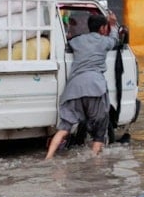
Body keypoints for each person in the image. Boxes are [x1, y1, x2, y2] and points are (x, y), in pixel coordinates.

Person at [45, 11, 119, 159]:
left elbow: (67, 43)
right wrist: (113, 25)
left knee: (64, 128)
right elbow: (115, 40)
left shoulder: (77, 41)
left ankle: (48, 158)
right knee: (99, 131)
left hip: (74, 88)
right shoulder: (105, 41)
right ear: (103, 28)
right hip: (95, 87)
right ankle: (95, 163)